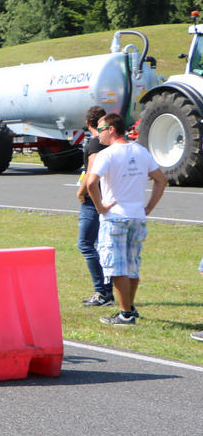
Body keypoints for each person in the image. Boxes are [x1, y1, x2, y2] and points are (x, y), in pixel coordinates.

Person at [85, 112, 168, 325]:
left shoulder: (107, 154)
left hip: (115, 217)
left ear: (112, 129)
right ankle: (129, 307)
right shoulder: (141, 151)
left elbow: (91, 183)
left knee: (117, 267)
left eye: (101, 129)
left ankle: (125, 314)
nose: (99, 135)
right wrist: (148, 206)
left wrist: (100, 207)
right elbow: (161, 180)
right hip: (137, 216)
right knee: (133, 265)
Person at [76, 106, 112, 307]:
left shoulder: (95, 143)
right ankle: (108, 290)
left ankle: (102, 291)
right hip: (107, 196)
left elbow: (91, 171)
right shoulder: (109, 143)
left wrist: (81, 192)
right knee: (103, 245)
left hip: (93, 198)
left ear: (88, 123)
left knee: (85, 243)